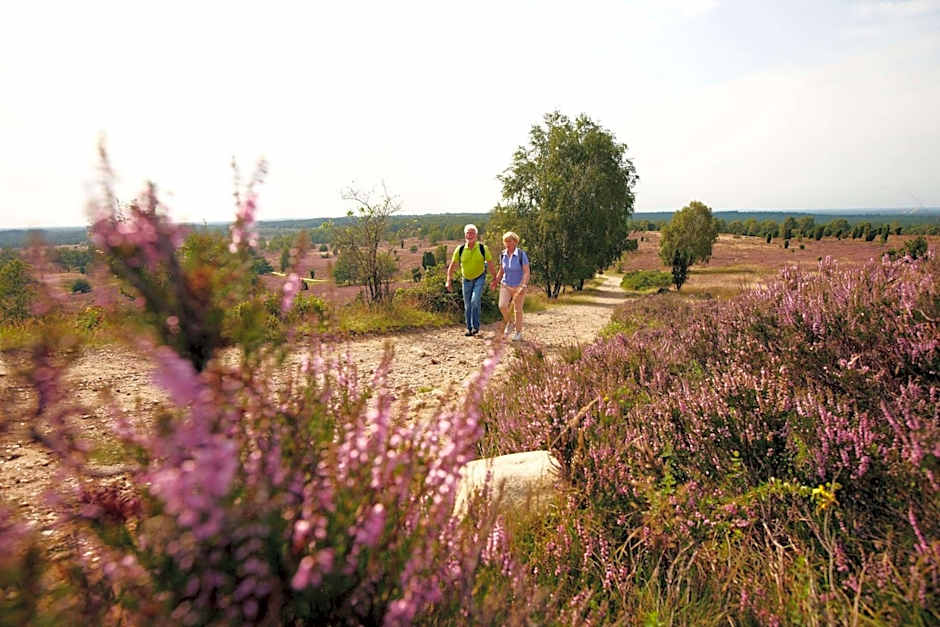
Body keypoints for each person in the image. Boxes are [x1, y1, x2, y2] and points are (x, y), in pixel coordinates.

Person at [445, 224, 495, 336]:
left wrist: (495, 279)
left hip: (479, 278)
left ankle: (475, 327)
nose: (470, 235)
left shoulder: (483, 248)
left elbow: (491, 264)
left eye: (472, 233)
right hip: (466, 279)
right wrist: (448, 280)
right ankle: (469, 328)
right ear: (465, 235)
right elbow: (452, 266)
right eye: (468, 233)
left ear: (476, 235)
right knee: (467, 305)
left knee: (474, 301)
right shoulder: (460, 249)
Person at [490, 231, 530, 341]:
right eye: (505, 241)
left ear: (515, 242)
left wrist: (523, 285)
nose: (507, 243)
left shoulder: (521, 254)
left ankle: (518, 333)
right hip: (506, 284)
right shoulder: (503, 254)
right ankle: (510, 322)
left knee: (518, 310)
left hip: (519, 286)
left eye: (509, 241)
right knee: (502, 305)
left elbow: (526, 272)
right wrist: (495, 281)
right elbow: (501, 270)